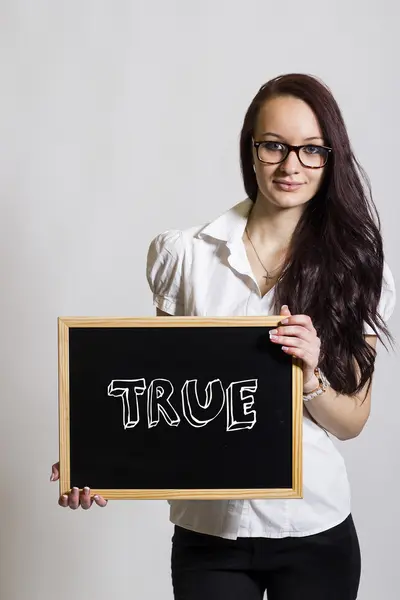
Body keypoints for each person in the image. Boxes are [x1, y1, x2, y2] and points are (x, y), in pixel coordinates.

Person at [51, 73, 396, 600]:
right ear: (251, 149)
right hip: (208, 533)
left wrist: (310, 378)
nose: (290, 166)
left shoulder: (360, 270)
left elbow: (352, 421)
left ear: (331, 158)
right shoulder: (184, 255)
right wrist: (95, 456)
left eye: (311, 150)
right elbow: (162, 395)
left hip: (313, 530)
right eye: (274, 146)